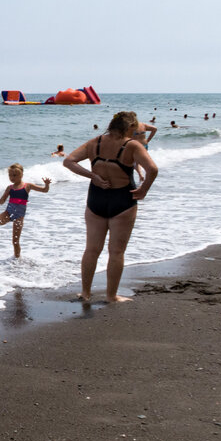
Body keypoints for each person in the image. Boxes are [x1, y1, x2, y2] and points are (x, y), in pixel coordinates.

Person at [62, 111, 158, 302]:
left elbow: (68, 161)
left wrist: (93, 176)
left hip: (95, 199)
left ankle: (86, 293)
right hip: (123, 200)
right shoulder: (132, 145)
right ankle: (111, 296)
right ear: (129, 128)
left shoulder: (94, 142)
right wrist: (144, 189)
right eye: (134, 129)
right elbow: (152, 169)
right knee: (116, 251)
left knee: (91, 249)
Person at [0, 164, 51, 258]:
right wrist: (2, 199)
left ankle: (17, 259)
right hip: (8, 213)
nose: (12, 177)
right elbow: (1, 201)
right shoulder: (10, 188)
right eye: (10, 175)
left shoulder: (28, 186)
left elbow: (44, 190)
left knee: (15, 240)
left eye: (14, 175)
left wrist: (47, 184)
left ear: (21, 175)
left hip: (19, 216)